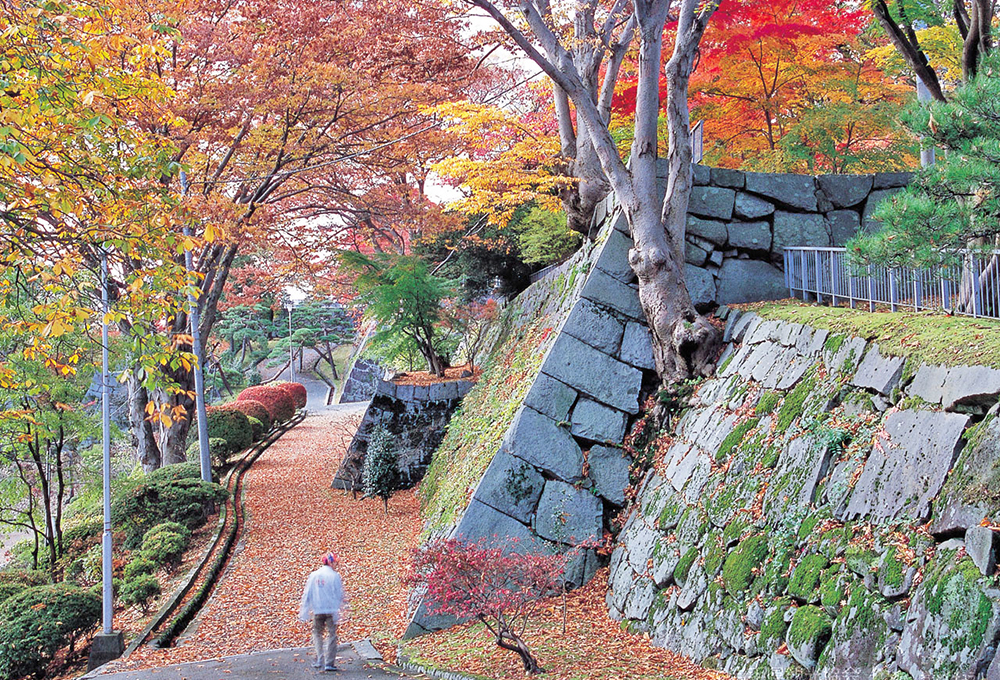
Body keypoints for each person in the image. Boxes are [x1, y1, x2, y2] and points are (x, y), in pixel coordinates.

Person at [299, 552, 345, 672]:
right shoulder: (335, 576)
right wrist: (341, 609)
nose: (336, 564)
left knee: (317, 633)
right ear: (330, 562)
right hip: (331, 610)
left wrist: (304, 610)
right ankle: (329, 662)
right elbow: (339, 594)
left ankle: (320, 658)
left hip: (317, 610)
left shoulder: (314, 575)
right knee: (332, 635)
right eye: (335, 562)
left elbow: (307, 593)